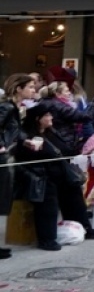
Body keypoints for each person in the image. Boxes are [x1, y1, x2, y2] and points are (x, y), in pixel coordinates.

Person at [13, 104, 94, 250]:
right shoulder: (27, 137)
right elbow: (25, 159)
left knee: (73, 189)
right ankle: (46, 238)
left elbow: (65, 150)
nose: (51, 118)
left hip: (58, 173)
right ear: (38, 119)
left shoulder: (51, 132)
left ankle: (84, 226)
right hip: (37, 176)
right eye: (47, 115)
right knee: (49, 195)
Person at [1, 73, 38, 231]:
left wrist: (26, 140)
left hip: (9, 154)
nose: (33, 89)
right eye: (30, 86)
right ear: (18, 89)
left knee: (4, 197)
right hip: (4, 156)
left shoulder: (15, 107)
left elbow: (14, 130)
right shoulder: (7, 106)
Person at [38, 81, 94, 156]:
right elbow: (86, 116)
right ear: (58, 94)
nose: (69, 93)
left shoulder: (54, 103)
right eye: (66, 91)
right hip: (63, 142)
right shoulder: (59, 106)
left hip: (62, 141)